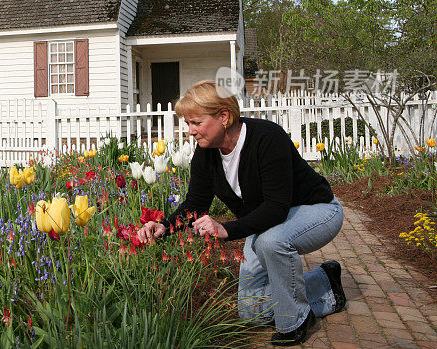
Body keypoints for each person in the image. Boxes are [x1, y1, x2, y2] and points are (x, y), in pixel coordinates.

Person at [137, 80, 346, 346]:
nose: (190, 131)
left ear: (223, 116)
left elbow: (277, 207)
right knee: (253, 312)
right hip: (268, 222)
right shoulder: (206, 153)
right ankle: (324, 280)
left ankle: (295, 320)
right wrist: (164, 226)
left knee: (272, 242)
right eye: (187, 123)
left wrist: (228, 229)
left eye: (196, 123)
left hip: (317, 211)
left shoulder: (267, 138)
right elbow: (195, 203)